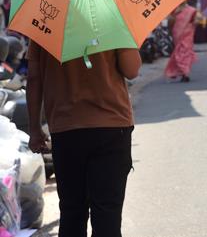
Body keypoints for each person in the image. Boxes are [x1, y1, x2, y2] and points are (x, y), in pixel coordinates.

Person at [27, 43, 142, 237]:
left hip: (66, 130)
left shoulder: (45, 21)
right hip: (111, 127)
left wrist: (34, 128)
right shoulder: (111, 18)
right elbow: (132, 70)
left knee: (72, 213)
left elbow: (34, 78)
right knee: (107, 215)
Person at [165, 1, 199, 82]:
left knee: (185, 52)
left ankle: (185, 73)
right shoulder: (174, 9)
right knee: (178, 52)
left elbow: (196, 21)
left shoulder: (192, 10)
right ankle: (177, 71)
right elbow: (170, 21)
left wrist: (195, 22)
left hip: (188, 35)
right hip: (177, 34)